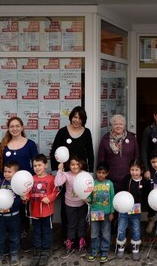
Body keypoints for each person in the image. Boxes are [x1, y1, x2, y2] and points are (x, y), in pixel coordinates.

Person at [0, 116, 39, 253]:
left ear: (22, 127)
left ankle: (23, 239)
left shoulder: (30, 144)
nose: (15, 128)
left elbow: (35, 165)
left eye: (17, 126)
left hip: (24, 186)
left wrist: (30, 181)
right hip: (6, 187)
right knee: (6, 212)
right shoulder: (2, 145)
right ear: (8, 128)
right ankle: (7, 241)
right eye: (12, 126)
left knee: (23, 213)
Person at [50, 106, 94, 239]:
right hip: (66, 175)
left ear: (83, 120)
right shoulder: (62, 132)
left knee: (82, 203)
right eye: (75, 117)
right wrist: (56, 170)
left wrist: (90, 172)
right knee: (66, 204)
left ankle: (81, 237)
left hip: (81, 174)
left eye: (80, 118)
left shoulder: (86, 132)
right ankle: (67, 237)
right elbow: (54, 152)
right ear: (71, 117)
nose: (77, 120)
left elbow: (90, 153)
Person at [24, 154, 59, 266]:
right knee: (36, 232)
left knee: (46, 232)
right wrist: (25, 198)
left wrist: (49, 198)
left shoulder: (51, 178)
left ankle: (45, 251)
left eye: (39, 165)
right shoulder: (31, 179)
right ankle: (37, 251)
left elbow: (55, 191)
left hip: (47, 212)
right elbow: (28, 193)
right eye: (35, 165)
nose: (37, 168)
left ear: (45, 165)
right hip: (34, 212)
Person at [54, 155, 89, 258]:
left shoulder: (85, 174)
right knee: (71, 225)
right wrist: (60, 171)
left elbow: (90, 186)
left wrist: (88, 198)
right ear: (68, 165)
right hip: (70, 204)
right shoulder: (66, 174)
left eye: (77, 164)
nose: (74, 166)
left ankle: (81, 244)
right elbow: (57, 182)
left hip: (82, 203)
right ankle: (70, 244)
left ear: (81, 164)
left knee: (82, 224)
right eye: (72, 164)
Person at [116, 159, 150, 261]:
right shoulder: (126, 179)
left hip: (136, 211)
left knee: (136, 229)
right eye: (132, 170)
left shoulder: (144, 182)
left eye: (136, 170)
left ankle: (135, 248)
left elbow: (146, 197)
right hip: (124, 209)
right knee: (121, 228)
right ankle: (121, 247)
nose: (134, 172)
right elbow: (120, 193)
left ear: (141, 170)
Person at [0, 160, 22, 266]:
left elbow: (19, 200)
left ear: (16, 173)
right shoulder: (0, 184)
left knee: (15, 235)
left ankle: (14, 253)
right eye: (5, 171)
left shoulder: (18, 185)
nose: (6, 174)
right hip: (1, 216)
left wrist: (12, 205)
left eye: (9, 172)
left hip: (14, 215)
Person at [97, 114, 139, 189]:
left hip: (128, 177)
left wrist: (136, 172)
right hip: (111, 178)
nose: (118, 126)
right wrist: (102, 174)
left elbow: (137, 156)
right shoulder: (105, 139)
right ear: (112, 126)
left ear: (124, 126)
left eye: (120, 124)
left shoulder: (131, 138)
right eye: (115, 124)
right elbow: (101, 159)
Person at [86, 162, 115, 263]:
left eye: (103, 173)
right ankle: (94, 250)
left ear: (107, 174)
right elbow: (89, 196)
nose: (101, 175)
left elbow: (112, 199)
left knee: (105, 233)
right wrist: (87, 199)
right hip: (95, 212)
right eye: (99, 172)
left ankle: (104, 251)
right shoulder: (92, 183)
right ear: (96, 173)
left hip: (106, 213)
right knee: (94, 233)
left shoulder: (110, 184)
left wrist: (112, 212)